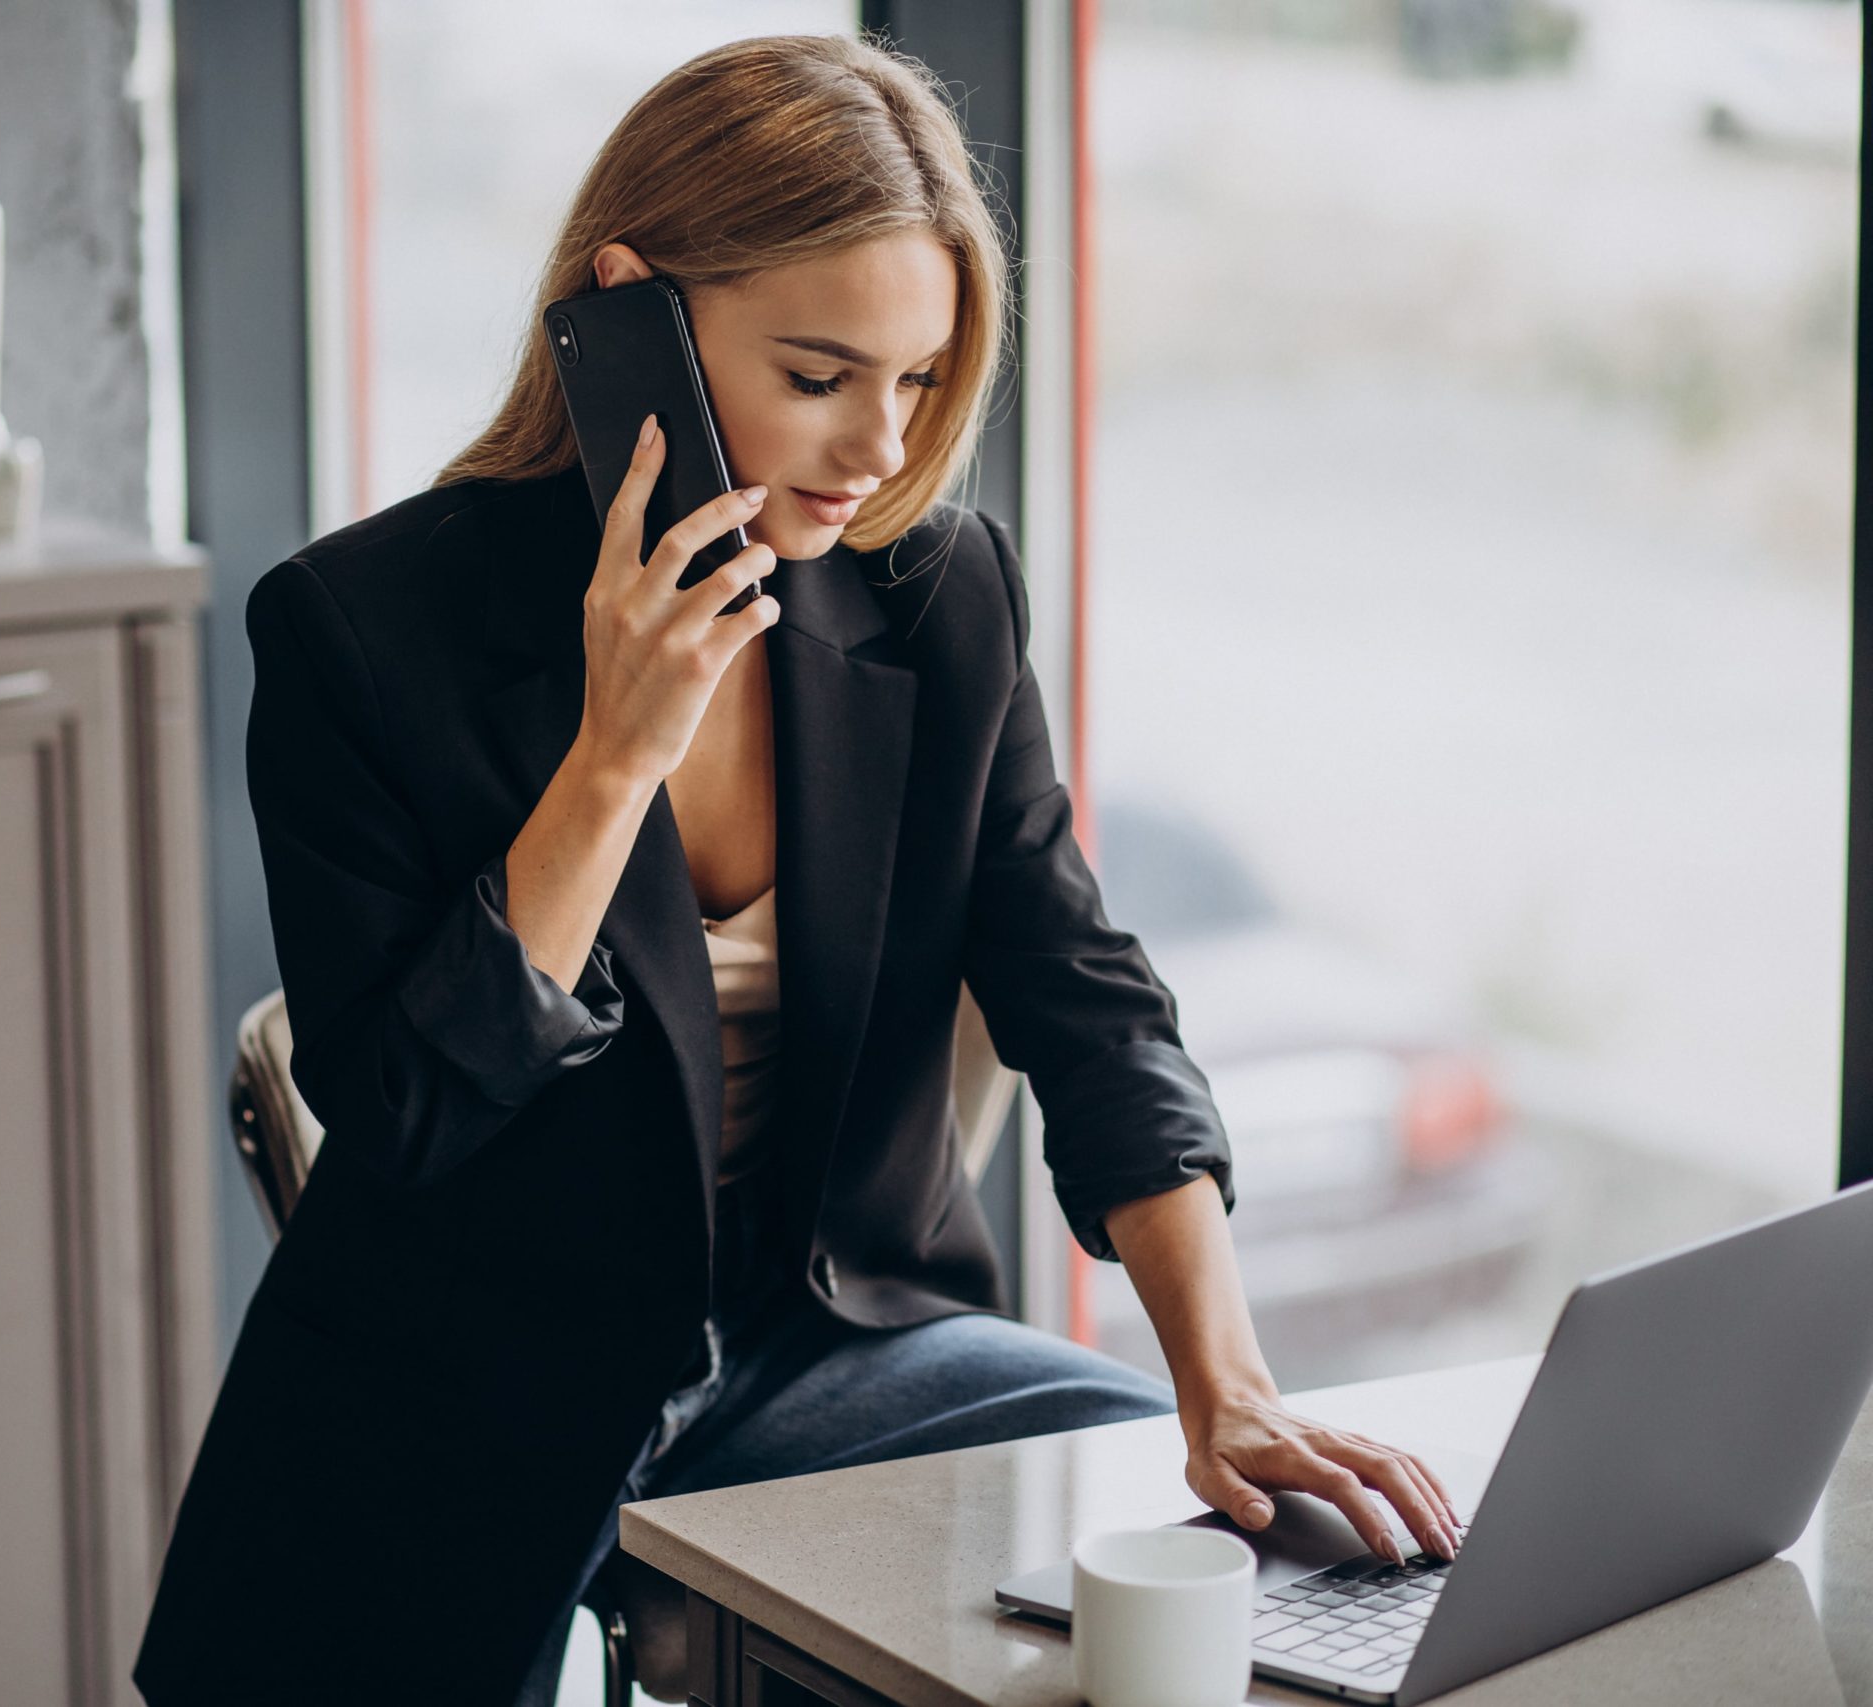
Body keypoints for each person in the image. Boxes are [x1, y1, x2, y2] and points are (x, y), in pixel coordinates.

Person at [134, 32, 1464, 1707]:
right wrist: (616, 752)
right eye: (821, 375)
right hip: (470, 1395)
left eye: (916, 384)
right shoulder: (364, 631)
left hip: (840, 1353)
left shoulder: (940, 597)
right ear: (629, 315)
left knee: (1216, 1568)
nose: (873, 452)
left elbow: (1088, 1000)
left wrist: (1231, 1380)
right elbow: (404, 1117)